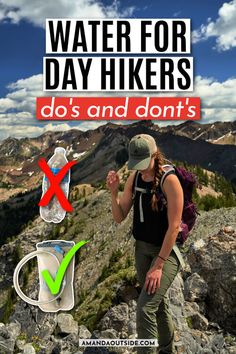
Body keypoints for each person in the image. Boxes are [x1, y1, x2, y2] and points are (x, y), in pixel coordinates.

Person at [106, 134, 185, 354]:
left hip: (166, 253)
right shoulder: (135, 178)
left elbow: (174, 227)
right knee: (158, 306)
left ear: (154, 154)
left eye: (143, 163)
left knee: (145, 308)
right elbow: (120, 216)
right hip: (141, 250)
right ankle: (168, 350)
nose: (140, 169)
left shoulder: (169, 180)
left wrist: (159, 266)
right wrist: (114, 193)